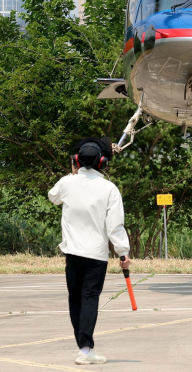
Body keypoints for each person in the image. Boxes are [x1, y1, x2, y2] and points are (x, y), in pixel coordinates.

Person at [48, 138, 131, 366]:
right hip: (96, 256)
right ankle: (85, 350)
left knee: (75, 299)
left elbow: (52, 197)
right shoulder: (109, 189)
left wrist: (71, 173)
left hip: (72, 253)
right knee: (89, 299)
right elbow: (115, 227)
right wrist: (123, 253)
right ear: (103, 163)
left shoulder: (66, 183)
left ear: (76, 161)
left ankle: (84, 348)